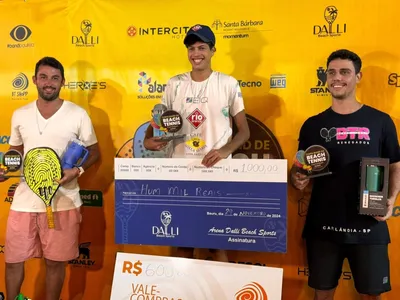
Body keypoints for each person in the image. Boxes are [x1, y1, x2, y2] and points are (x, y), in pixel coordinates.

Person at [291, 49, 400, 300]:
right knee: (322, 294)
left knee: (371, 296)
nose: (336, 77)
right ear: (325, 78)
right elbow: (300, 166)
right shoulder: (312, 124)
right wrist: (297, 177)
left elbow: (395, 163)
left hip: (369, 225)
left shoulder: (381, 121)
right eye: (331, 72)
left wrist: (391, 198)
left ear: (358, 76)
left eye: (344, 72)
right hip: (323, 227)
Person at [143, 24, 250, 262]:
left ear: (213, 50)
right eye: (191, 48)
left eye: (202, 47)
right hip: (180, 171)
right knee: (183, 243)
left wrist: (225, 151)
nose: (196, 53)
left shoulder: (228, 83)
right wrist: (148, 139)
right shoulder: (175, 84)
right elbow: (158, 121)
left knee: (216, 244)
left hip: (216, 172)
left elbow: (244, 132)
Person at [0, 57, 100, 300]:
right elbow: (16, 153)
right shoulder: (20, 114)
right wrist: (6, 168)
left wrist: (76, 171)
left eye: (55, 78)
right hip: (24, 202)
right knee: (13, 261)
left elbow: (95, 152)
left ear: (63, 82)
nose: (49, 83)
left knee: (55, 264)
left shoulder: (78, 114)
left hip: (64, 201)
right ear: (34, 80)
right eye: (43, 77)